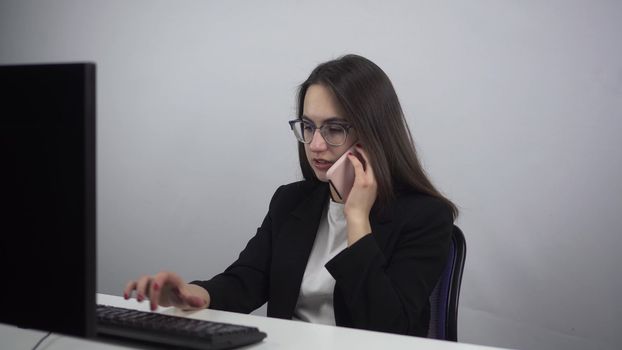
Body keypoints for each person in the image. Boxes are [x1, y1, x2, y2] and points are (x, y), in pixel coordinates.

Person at [124, 54, 459, 337]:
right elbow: (245, 281)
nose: (314, 144)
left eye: (334, 128)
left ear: (374, 133)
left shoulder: (425, 217)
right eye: (308, 126)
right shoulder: (291, 201)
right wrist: (190, 294)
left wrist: (356, 219)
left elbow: (389, 328)